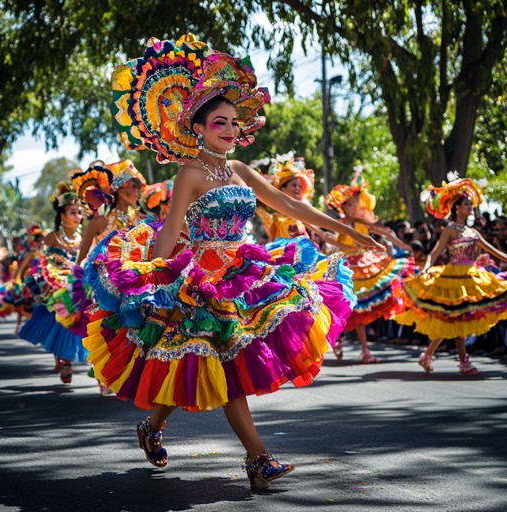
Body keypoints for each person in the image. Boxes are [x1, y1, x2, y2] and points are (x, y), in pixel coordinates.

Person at [84, 34, 383, 490]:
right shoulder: (190, 172)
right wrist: (146, 280)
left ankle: (153, 427)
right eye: (218, 122)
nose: (229, 130)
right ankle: (259, 458)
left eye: (232, 122)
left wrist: (348, 230)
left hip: (246, 273)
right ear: (198, 129)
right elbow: (169, 230)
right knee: (220, 365)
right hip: (202, 280)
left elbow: (291, 207)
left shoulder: (240, 170)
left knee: (197, 363)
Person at [394, 177, 507, 375]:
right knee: (454, 319)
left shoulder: (473, 232)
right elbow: (434, 253)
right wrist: (427, 268)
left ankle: (430, 356)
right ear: (457, 208)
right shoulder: (450, 229)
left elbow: (496, 253)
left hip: (470, 278)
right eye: (466, 203)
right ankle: (462, 361)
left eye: (470, 203)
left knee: (455, 320)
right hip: (452, 279)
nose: (470, 206)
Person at [324, 169, 414, 363]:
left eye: (353, 202)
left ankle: (363, 349)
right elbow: (334, 244)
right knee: (347, 308)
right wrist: (331, 243)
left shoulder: (360, 222)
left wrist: (403, 245)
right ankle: (343, 339)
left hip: (363, 265)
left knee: (359, 309)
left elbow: (386, 232)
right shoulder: (339, 223)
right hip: (346, 267)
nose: (350, 206)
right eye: (347, 203)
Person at [19, 182, 88, 383]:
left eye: (79, 212)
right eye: (73, 212)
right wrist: (58, 275)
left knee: (75, 318)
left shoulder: (83, 237)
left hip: (75, 283)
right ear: (62, 215)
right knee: (57, 320)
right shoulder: (52, 237)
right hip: (56, 283)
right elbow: (44, 262)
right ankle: (64, 359)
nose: (78, 217)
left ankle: (65, 357)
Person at [75, 159, 147, 264]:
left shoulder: (141, 220)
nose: (137, 192)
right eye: (133, 186)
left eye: (138, 188)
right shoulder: (98, 222)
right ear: (119, 189)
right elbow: (81, 258)